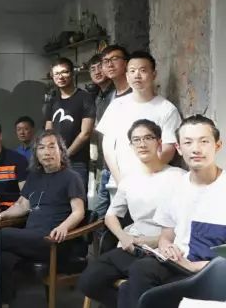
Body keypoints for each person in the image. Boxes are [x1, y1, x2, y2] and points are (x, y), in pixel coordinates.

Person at [118, 115, 226, 308]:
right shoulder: (176, 187)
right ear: (179, 148)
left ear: (217, 146)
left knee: (137, 293)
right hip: (179, 264)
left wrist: (195, 266)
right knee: (140, 270)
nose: (196, 149)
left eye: (204, 141)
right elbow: (166, 235)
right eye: (188, 142)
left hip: (215, 272)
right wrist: (167, 246)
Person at [77, 119, 185, 308]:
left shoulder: (179, 177)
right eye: (136, 140)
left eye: (148, 138)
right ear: (131, 146)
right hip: (133, 247)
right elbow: (111, 216)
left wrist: (152, 240)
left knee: (138, 280)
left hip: (163, 250)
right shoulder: (129, 180)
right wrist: (123, 236)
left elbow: (185, 223)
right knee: (88, 281)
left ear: (159, 142)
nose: (142, 144)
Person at [0, 130, 85, 306]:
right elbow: (22, 206)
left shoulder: (71, 177)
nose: (47, 152)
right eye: (41, 148)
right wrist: (0, 216)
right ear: (36, 153)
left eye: (52, 147)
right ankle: (5, 303)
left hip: (52, 240)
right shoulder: (34, 176)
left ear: (61, 151)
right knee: (2, 256)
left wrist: (63, 227)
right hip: (31, 238)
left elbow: (78, 211)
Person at [97, 51, 181, 197]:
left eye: (143, 70)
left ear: (154, 75)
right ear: (127, 76)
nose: (137, 75)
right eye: (132, 71)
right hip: (119, 183)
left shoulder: (167, 109)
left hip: (152, 183)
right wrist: (121, 181)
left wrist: (144, 178)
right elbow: (108, 147)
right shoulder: (116, 105)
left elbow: (168, 149)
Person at [45, 57, 96, 193]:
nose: (60, 76)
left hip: (77, 162)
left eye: (64, 72)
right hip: (55, 160)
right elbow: (48, 130)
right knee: (56, 198)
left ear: (72, 73)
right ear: (52, 77)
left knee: (77, 199)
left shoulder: (85, 98)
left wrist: (65, 155)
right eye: (56, 73)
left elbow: (85, 133)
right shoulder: (53, 101)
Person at [93, 45, 133, 216]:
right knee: (101, 217)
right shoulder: (108, 97)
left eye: (114, 59)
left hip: (128, 168)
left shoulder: (135, 95)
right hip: (107, 167)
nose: (109, 64)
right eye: (105, 61)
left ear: (126, 63)